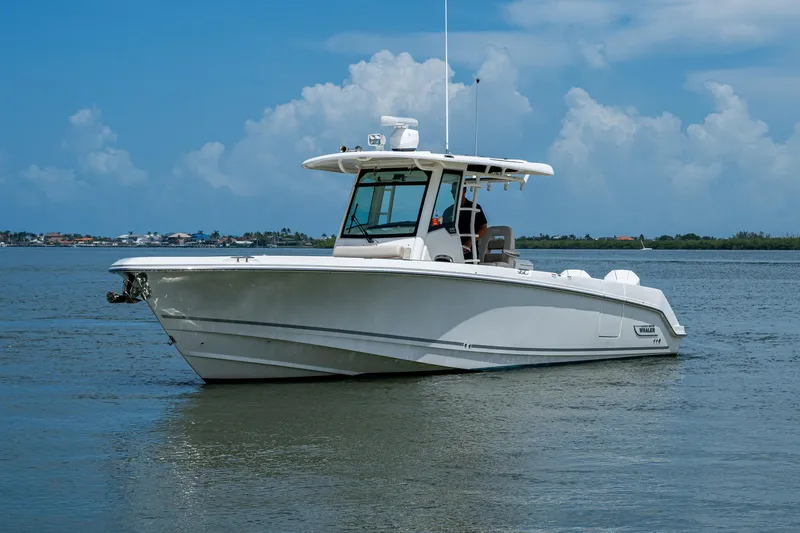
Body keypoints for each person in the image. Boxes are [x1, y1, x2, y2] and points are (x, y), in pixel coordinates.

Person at [443, 182, 488, 261]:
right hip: (451, 252)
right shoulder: (448, 211)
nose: (455, 194)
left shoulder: (475, 208)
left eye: (458, 191)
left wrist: (470, 241)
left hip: (470, 253)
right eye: (453, 192)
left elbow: (483, 229)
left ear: (464, 190)